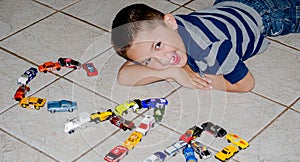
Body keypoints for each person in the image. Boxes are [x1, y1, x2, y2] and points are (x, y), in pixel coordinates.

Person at [111, 0, 300, 92]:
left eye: (158, 45)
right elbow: (124, 76)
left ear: (170, 21)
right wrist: (171, 72)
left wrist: (202, 81)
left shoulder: (210, 49)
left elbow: (246, 84)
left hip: (270, 13)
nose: (162, 59)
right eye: (148, 60)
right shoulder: (168, 29)